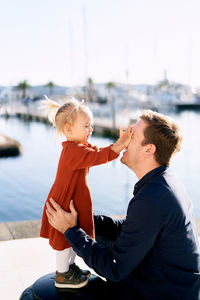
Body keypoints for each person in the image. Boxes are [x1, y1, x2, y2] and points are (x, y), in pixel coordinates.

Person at [46, 110, 200, 300]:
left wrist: (71, 230)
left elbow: (115, 268)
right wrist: (87, 221)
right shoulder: (163, 181)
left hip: (161, 292)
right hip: (167, 280)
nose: (125, 138)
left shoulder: (152, 199)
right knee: (99, 237)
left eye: (132, 134)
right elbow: (132, 227)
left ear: (148, 149)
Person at [40, 96, 133, 289]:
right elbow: (97, 156)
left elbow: (95, 151)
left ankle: (70, 268)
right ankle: (62, 275)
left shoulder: (78, 147)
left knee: (73, 236)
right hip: (65, 203)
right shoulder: (73, 151)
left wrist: (116, 145)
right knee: (64, 241)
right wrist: (120, 145)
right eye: (86, 126)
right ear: (68, 129)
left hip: (73, 199)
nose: (91, 130)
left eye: (91, 125)